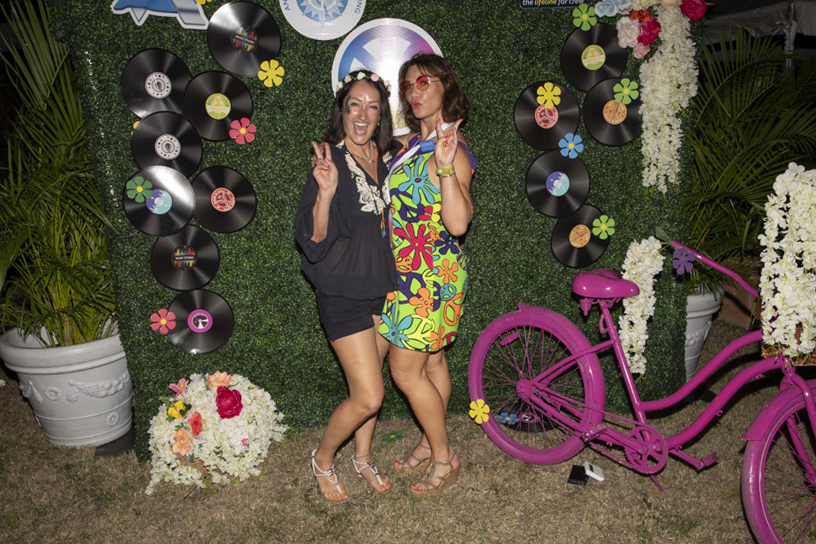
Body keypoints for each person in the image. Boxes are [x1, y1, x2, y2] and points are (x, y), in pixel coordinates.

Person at [295, 70, 399, 504]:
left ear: (381, 116)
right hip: (342, 292)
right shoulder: (330, 162)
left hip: (382, 290)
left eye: (372, 107)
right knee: (370, 397)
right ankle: (322, 459)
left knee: (369, 389)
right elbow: (314, 240)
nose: (362, 114)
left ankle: (362, 458)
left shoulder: (387, 157)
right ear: (342, 110)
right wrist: (325, 193)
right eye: (354, 104)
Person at [378, 54, 476, 498]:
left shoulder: (453, 147)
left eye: (424, 82)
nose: (414, 92)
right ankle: (427, 440)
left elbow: (457, 223)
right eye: (408, 85)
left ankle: (444, 456)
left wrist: (445, 164)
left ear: (445, 87)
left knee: (404, 370)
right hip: (404, 271)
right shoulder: (408, 144)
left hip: (430, 276)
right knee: (432, 361)